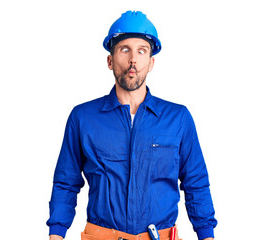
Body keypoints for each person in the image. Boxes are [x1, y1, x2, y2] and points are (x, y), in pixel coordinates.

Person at [47, 10, 217, 240]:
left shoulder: (178, 119)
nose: (133, 59)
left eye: (142, 50)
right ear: (110, 60)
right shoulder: (83, 118)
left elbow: (196, 183)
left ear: (151, 62)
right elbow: (65, 183)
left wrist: (206, 234)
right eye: (124, 50)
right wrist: (56, 234)